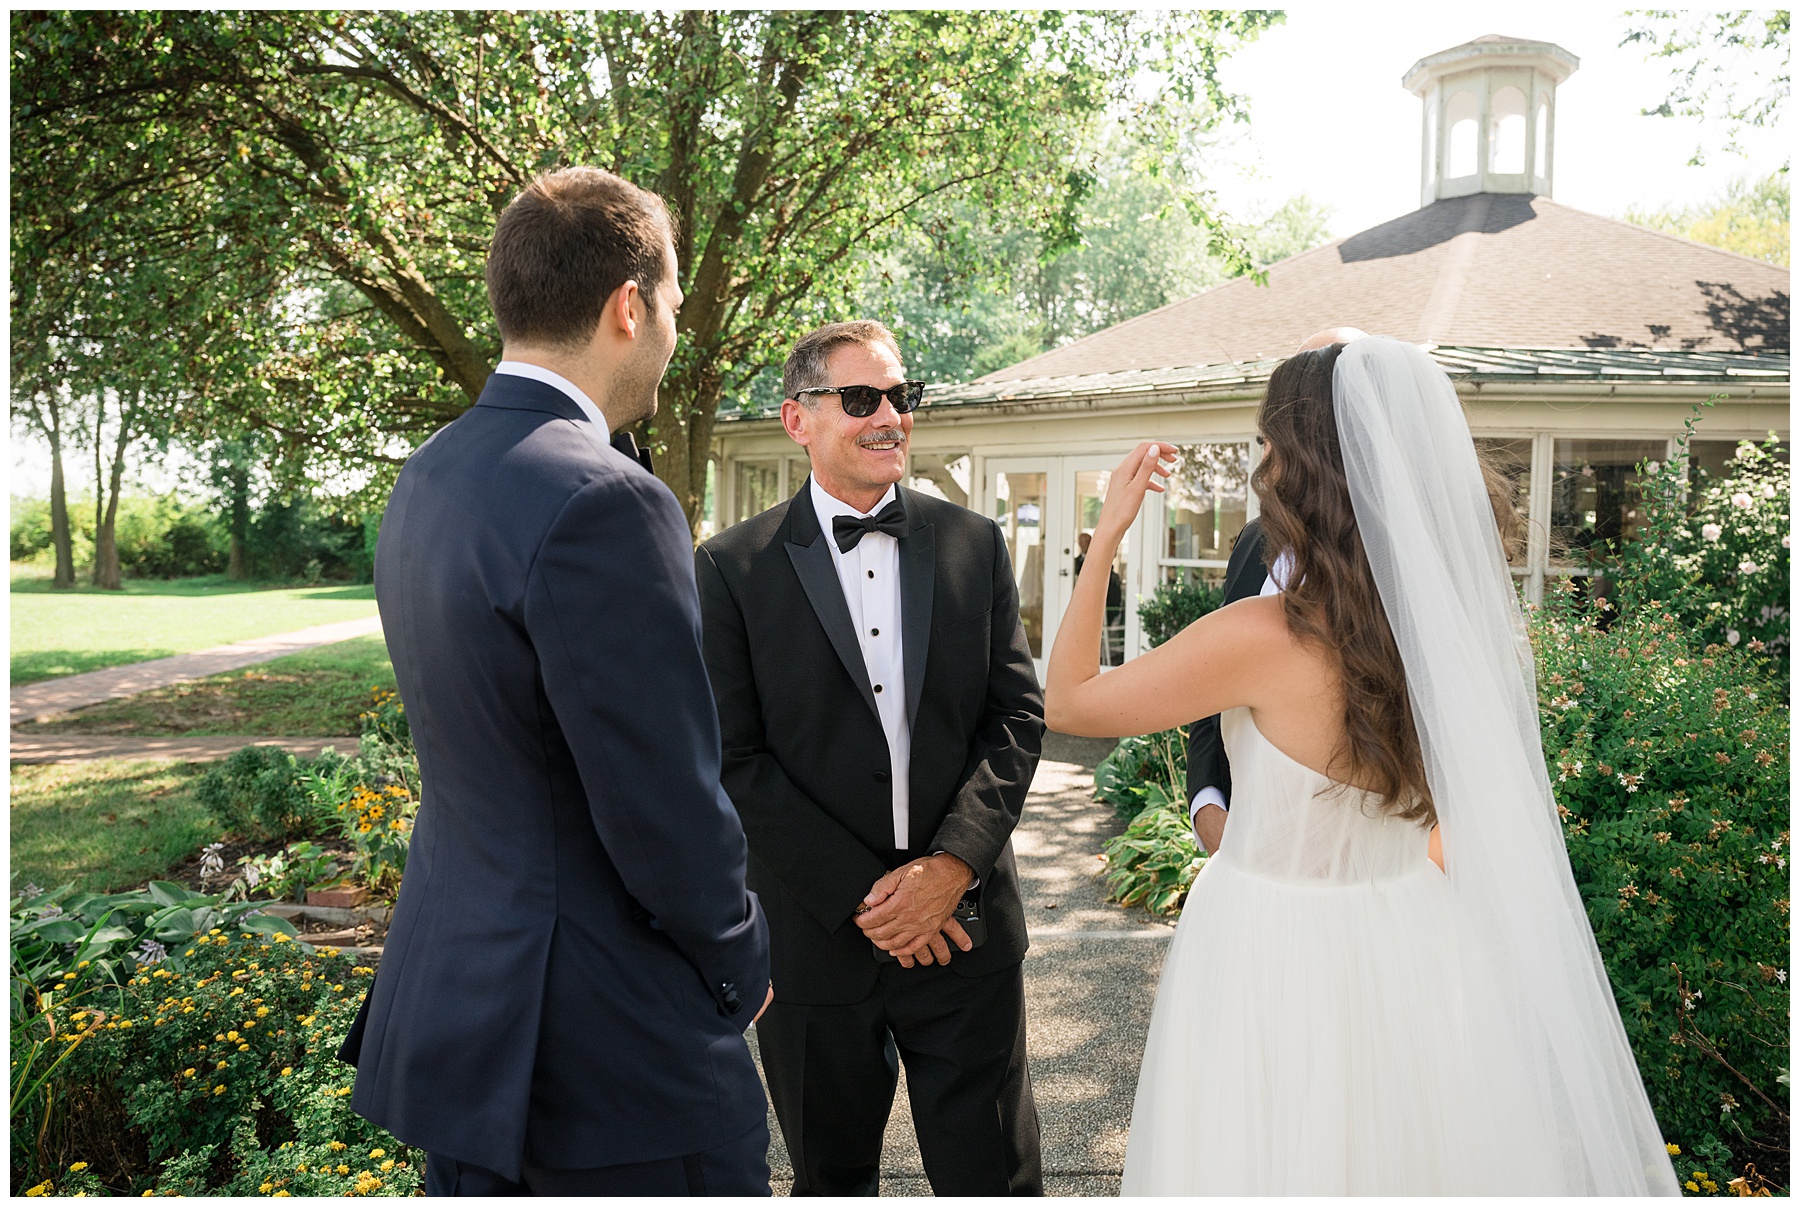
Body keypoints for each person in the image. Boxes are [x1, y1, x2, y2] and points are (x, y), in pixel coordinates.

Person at [1045, 336, 1680, 1194]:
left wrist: (1107, 533)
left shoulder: (1266, 636)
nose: (1261, 465)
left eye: (1269, 444)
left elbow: (1072, 699)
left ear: (1305, 467)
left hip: (1271, 947)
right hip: (1411, 937)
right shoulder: (1457, 639)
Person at [340, 167, 774, 1196]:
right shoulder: (605, 500)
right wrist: (739, 959)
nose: (676, 331)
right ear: (629, 306)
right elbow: (660, 797)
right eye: (673, 304)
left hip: (468, 1026)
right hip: (606, 1057)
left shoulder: (433, 473)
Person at [696, 320, 1046, 1196]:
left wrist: (950, 867)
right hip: (817, 948)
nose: (890, 415)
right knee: (831, 1181)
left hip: (966, 936)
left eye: (902, 396)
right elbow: (733, 758)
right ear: (797, 418)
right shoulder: (730, 568)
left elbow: (1016, 716)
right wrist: (871, 898)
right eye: (862, 399)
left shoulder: (975, 544)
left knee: (996, 1181)